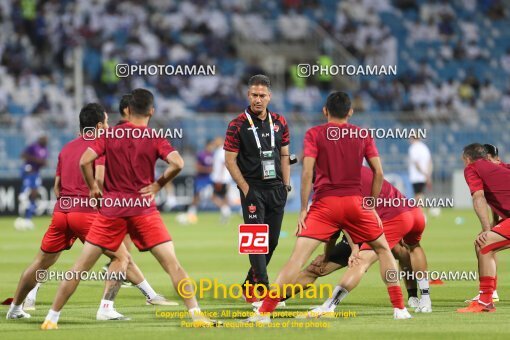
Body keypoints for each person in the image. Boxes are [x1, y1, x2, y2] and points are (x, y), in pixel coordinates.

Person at [40, 89, 219, 329]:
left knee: (80, 267)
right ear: (152, 111)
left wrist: (93, 187)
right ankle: (196, 315)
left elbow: (84, 160)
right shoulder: (155, 137)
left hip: (112, 210)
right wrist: (158, 185)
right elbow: (178, 163)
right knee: (173, 265)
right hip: (143, 209)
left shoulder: (109, 135)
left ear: (127, 110)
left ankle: (51, 318)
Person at [245, 91, 411, 323]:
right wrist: (371, 203)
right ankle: (400, 308)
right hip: (356, 203)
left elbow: (307, 172)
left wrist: (303, 208)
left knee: (296, 259)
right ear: (350, 112)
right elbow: (379, 173)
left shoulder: (314, 134)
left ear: (325, 111)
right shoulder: (363, 134)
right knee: (383, 250)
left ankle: (264, 313)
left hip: (325, 205)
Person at [7, 103, 172, 322]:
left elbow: (57, 187)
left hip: (61, 213)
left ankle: (15, 308)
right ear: (98, 125)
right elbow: (102, 182)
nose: (108, 125)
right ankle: (106, 307)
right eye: (105, 121)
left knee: (40, 263)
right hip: (86, 213)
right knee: (121, 258)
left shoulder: (66, 149)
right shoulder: (102, 147)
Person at [283, 167, 431, 317]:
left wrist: (348, 251)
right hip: (412, 211)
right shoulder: (358, 168)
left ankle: (329, 306)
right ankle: (424, 299)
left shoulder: (335, 187)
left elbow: (341, 226)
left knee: (360, 261)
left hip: (389, 220)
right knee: (408, 249)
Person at [224, 75, 291, 302]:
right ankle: (262, 290)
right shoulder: (237, 125)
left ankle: (248, 286)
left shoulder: (280, 121)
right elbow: (230, 160)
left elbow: (284, 155)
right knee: (256, 240)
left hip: (276, 189)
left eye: (262, 95)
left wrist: (286, 185)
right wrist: (244, 188)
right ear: (248, 95)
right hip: (252, 189)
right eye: (254, 95)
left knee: (272, 241)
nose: (258, 100)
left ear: (269, 97)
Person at [457, 143, 510, 313]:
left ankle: (485, 300)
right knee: (484, 244)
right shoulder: (499, 167)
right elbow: (498, 197)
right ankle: (489, 294)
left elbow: (478, 197)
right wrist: (492, 227)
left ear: (466, 159)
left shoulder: (472, 168)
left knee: (485, 244)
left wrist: (487, 229)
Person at [15, 135, 49, 230]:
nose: (46, 140)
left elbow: (43, 162)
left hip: (36, 173)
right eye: (44, 139)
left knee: (34, 194)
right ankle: (23, 194)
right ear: (40, 139)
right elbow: (23, 155)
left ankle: (28, 218)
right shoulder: (33, 147)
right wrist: (36, 160)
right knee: (28, 192)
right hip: (28, 170)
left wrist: (43, 163)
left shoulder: (46, 150)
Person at [187, 139, 215, 224]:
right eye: (211, 145)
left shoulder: (214, 155)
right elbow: (197, 167)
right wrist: (208, 170)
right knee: (197, 195)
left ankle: (225, 210)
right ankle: (191, 212)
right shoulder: (201, 155)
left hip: (209, 179)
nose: (212, 147)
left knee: (211, 195)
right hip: (200, 178)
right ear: (207, 145)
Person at [210, 137, 233, 224]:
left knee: (214, 197)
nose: (214, 142)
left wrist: (219, 178)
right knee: (224, 197)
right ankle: (225, 213)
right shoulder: (220, 151)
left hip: (221, 179)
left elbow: (224, 165)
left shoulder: (221, 151)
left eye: (216, 141)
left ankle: (225, 210)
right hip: (224, 178)